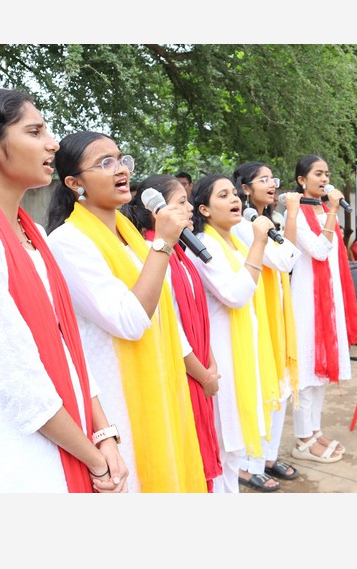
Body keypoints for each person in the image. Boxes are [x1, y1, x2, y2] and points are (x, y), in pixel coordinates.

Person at [0, 88, 127, 493]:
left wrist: (104, 432)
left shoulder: (31, 232)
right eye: (35, 132)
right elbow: (13, 373)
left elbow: (67, 347)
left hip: (61, 438)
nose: (52, 143)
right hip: (9, 455)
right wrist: (93, 458)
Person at [46, 131, 207, 493]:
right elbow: (131, 321)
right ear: (75, 183)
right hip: (119, 398)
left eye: (121, 159)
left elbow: (163, 314)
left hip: (161, 386)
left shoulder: (129, 237)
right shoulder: (68, 242)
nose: (120, 169)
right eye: (104, 163)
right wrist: (163, 244)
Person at [119, 173, 223, 493]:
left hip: (200, 367)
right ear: (157, 211)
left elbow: (197, 314)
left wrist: (211, 362)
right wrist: (203, 374)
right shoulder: (152, 254)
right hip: (184, 374)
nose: (190, 209)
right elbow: (171, 327)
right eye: (181, 203)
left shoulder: (180, 252)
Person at [188, 174, 282, 493]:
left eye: (233, 194)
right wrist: (259, 242)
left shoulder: (233, 241)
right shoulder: (205, 247)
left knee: (236, 446)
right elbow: (237, 294)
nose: (234, 200)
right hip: (222, 354)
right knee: (225, 444)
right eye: (223, 195)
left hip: (243, 350)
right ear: (203, 210)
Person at [232, 161, 302, 492]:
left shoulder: (264, 222)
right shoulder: (245, 226)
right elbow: (287, 259)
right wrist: (292, 215)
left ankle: (269, 457)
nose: (272, 184)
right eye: (263, 179)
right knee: (263, 386)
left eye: (273, 178)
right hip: (255, 311)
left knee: (281, 385)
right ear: (246, 189)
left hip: (275, 307)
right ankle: (249, 464)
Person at [289, 154, 357, 463]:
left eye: (326, 173)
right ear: (301, 180)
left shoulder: (320, 209)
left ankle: (314, 430)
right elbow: (319, 250)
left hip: (329, 297)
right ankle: (302, 439)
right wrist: (333, 210)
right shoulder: (294, 213)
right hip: (307, 298)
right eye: (318, 173)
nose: (324, 178)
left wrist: (329, 210)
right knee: (306, 369)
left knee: (320, 372)